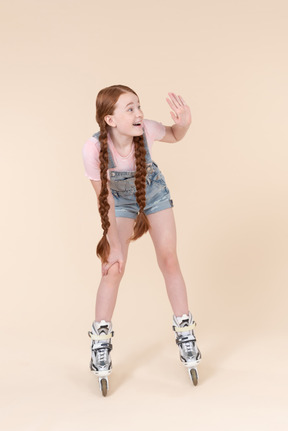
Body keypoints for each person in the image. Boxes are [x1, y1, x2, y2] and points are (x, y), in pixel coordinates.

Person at [82, 84, 201, 395]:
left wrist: (184, 124)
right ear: (110, 120)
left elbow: (174, 134)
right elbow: (103, 197)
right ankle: (100, 341)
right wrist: (114, 241)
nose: (139, 113)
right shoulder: (93, 149)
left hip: (153, 192)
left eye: (139, 105)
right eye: (130, 109)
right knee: (114, 266)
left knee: (169, 259)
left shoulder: (146, 130)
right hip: (118, 204)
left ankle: (186, 332)